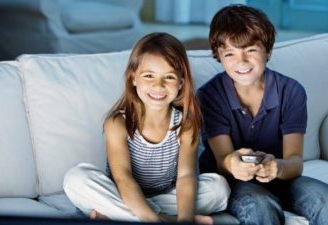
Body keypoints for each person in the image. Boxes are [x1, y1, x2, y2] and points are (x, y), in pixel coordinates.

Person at [197, 4, 328, 225]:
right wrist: (234, 164)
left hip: (279, 176)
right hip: (232, 181)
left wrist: (276, 167)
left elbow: (294, 163)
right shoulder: (210, 96)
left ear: (267, 51)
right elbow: (223, 161)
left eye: (250, 50)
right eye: (230, 53)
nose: (241, 61)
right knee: (260, 204)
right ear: (219, 57)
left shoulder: (291, 91)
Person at [63, 32, 230, 224]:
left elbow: (186, 177)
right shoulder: (118, 123)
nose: (157, 85)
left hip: (165, 196)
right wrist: (154, 219)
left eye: (168, 77)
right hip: (123, 192)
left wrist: (185, 219)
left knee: (219, 189)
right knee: (76, 179)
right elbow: (123, 178)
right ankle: (161, 219)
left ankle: (118, 215)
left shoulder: (186, 124)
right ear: (134, 78)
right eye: (149, 75)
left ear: (181, 83)